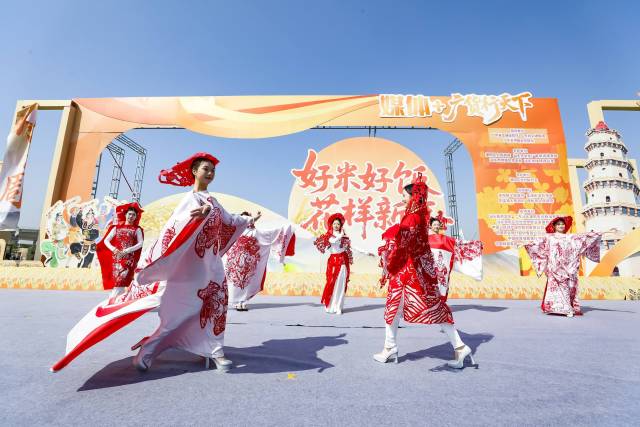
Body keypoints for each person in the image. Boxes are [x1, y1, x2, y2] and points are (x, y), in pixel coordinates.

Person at [51, 152, 260, 373]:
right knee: (183, 311)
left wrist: (249, 219)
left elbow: (229, 220)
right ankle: (148, 350)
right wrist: (198, 217)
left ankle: (214, 351)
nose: (210, 173)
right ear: (194, 171)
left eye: (213, 170)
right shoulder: (191, 200)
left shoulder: (213, 201)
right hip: (190, 268)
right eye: (205, 169)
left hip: (212, 264)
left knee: (216, 305)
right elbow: (174, 227)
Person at [374, 174, 475, 369]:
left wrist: (392, 245)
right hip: (414, 271)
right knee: (427, 307)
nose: (402, 198)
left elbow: (406, 244)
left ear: (412, 197)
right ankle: (459, 347)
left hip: (407, 272)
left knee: (395, 307)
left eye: (404, 195)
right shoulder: (419, 216)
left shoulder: (412, 217)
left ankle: (390, 348)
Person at [524, 216, 614, 317]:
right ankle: (563, 309)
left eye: (562, 224)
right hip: (554, 267)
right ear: (554, 226)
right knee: (556, 288)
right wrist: (525, 244)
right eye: (558, 224)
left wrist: (605, 231)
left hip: (568, 267)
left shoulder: (570, 237)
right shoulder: (549, 237)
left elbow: (586, 236)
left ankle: (565, 307)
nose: (561, 226)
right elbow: (536, 244)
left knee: (569, 288)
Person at [226, 221, 295, 311]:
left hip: (248, 265)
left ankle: (243, 301)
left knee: (247, 283)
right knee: (235, 283)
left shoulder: (255, 232)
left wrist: (286, 229)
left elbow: (271, 234)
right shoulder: (236, 231)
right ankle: (236, 302)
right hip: (236, 264)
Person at [428, 211, 483, 302]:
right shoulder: (425, 239)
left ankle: (439, 305)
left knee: (441, 287)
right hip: (429, 268)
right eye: (434, 224)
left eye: (438, 224)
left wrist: (475, 244)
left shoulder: (445, 239)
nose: (436, 226)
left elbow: (460, 243)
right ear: (430, 226)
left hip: (441, 269)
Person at [96, 202, 144, 300]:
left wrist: (128, 250)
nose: (131, 216)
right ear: (125, 215)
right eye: (129, 214)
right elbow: (106, 240)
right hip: (116, 258)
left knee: (120, 281)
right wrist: (113, 249)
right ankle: (118, 300)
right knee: (116, 282)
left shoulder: (137, 229)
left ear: (136, 217)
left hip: (127, 260)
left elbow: (140, 243)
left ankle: (112, 301)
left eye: (133, 215)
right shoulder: (116, 228)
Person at [314, 213, 353, 315]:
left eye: (338, 224)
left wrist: (365, 252)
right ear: (331, 225)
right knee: (331, 283)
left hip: (343, 262)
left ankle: (338, 307)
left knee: (341, 284)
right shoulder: (329, 236)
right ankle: (330, 305)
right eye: (334, 223)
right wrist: (341, 235)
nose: (336, 225)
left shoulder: (344, 236)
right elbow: (334, 241)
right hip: (333, 262)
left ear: (340, 225)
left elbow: (350, 247)